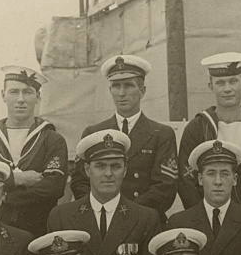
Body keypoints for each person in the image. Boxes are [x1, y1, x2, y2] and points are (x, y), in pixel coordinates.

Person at [47, 129, 163, 255]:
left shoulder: (146, 218)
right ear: (87, 170)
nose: (108, 173)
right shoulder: (61, 216)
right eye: (100, 166)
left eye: (115, 166)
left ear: (125, 170)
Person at [69, 54, 178, 222]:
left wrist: (128, 213)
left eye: (128, 86)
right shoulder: (94, 133)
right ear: (110, 90)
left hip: (145, 220)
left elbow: (165, 187)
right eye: (116, 86)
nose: (121, 93)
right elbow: (79, 182)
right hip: (101, 219)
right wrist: (103, 210)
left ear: (142, 91)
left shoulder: (161, 133)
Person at [0, 65, 68, 238]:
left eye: (27, 92)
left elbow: (53, 187)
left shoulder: (52, 140)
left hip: (38, 232)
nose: (21, 99)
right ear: (3, 95)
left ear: (38, 97)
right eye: (14, 92)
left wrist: (4, 195)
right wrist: (16, 179)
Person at [177, 53, 241, 219]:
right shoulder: (197, 127)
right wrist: (202, 218)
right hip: (207, 218)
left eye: (233, 81)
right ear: (210, 86)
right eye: (220, 83)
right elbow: (186, 180)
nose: (227, 89)